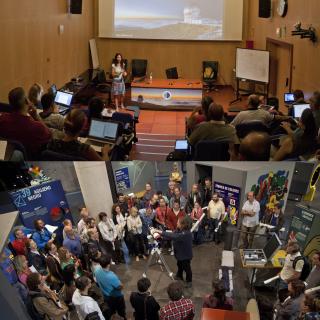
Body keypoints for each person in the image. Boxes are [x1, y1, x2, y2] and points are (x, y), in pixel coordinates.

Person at [0, 87, 52, 159]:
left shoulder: (2, 119)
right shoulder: (37, 127)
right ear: (27, 101)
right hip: (31, 161)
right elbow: (49, 134)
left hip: (8, 158)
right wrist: (36, 116)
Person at [47, 109, 111, 160]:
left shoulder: (52, 143)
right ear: (83, 127)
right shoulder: (85, 149)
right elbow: (105, 166)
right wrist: (105, 153)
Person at [158, 216, 193, 287]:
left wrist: (161, 232)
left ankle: (189, 281)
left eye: (178, 222)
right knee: (179, 265)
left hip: (185, 256)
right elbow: (172, 235)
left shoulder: (186, 234)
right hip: (180, 254)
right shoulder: (179, 230)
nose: (177, 223)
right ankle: (179, 275)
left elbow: (174, 236)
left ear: (183, 224)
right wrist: (161, 237)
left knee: (187, 269)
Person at [94, 255, 126, 319]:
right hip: (116, 296)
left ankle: (113, 316)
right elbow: (120, 287)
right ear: (108, 265)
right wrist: (122, 285)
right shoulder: (111, 275)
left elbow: (96, 281)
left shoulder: (96, 270)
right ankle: (123, 317)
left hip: (105, 295)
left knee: (111, 308)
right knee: (121, 309)